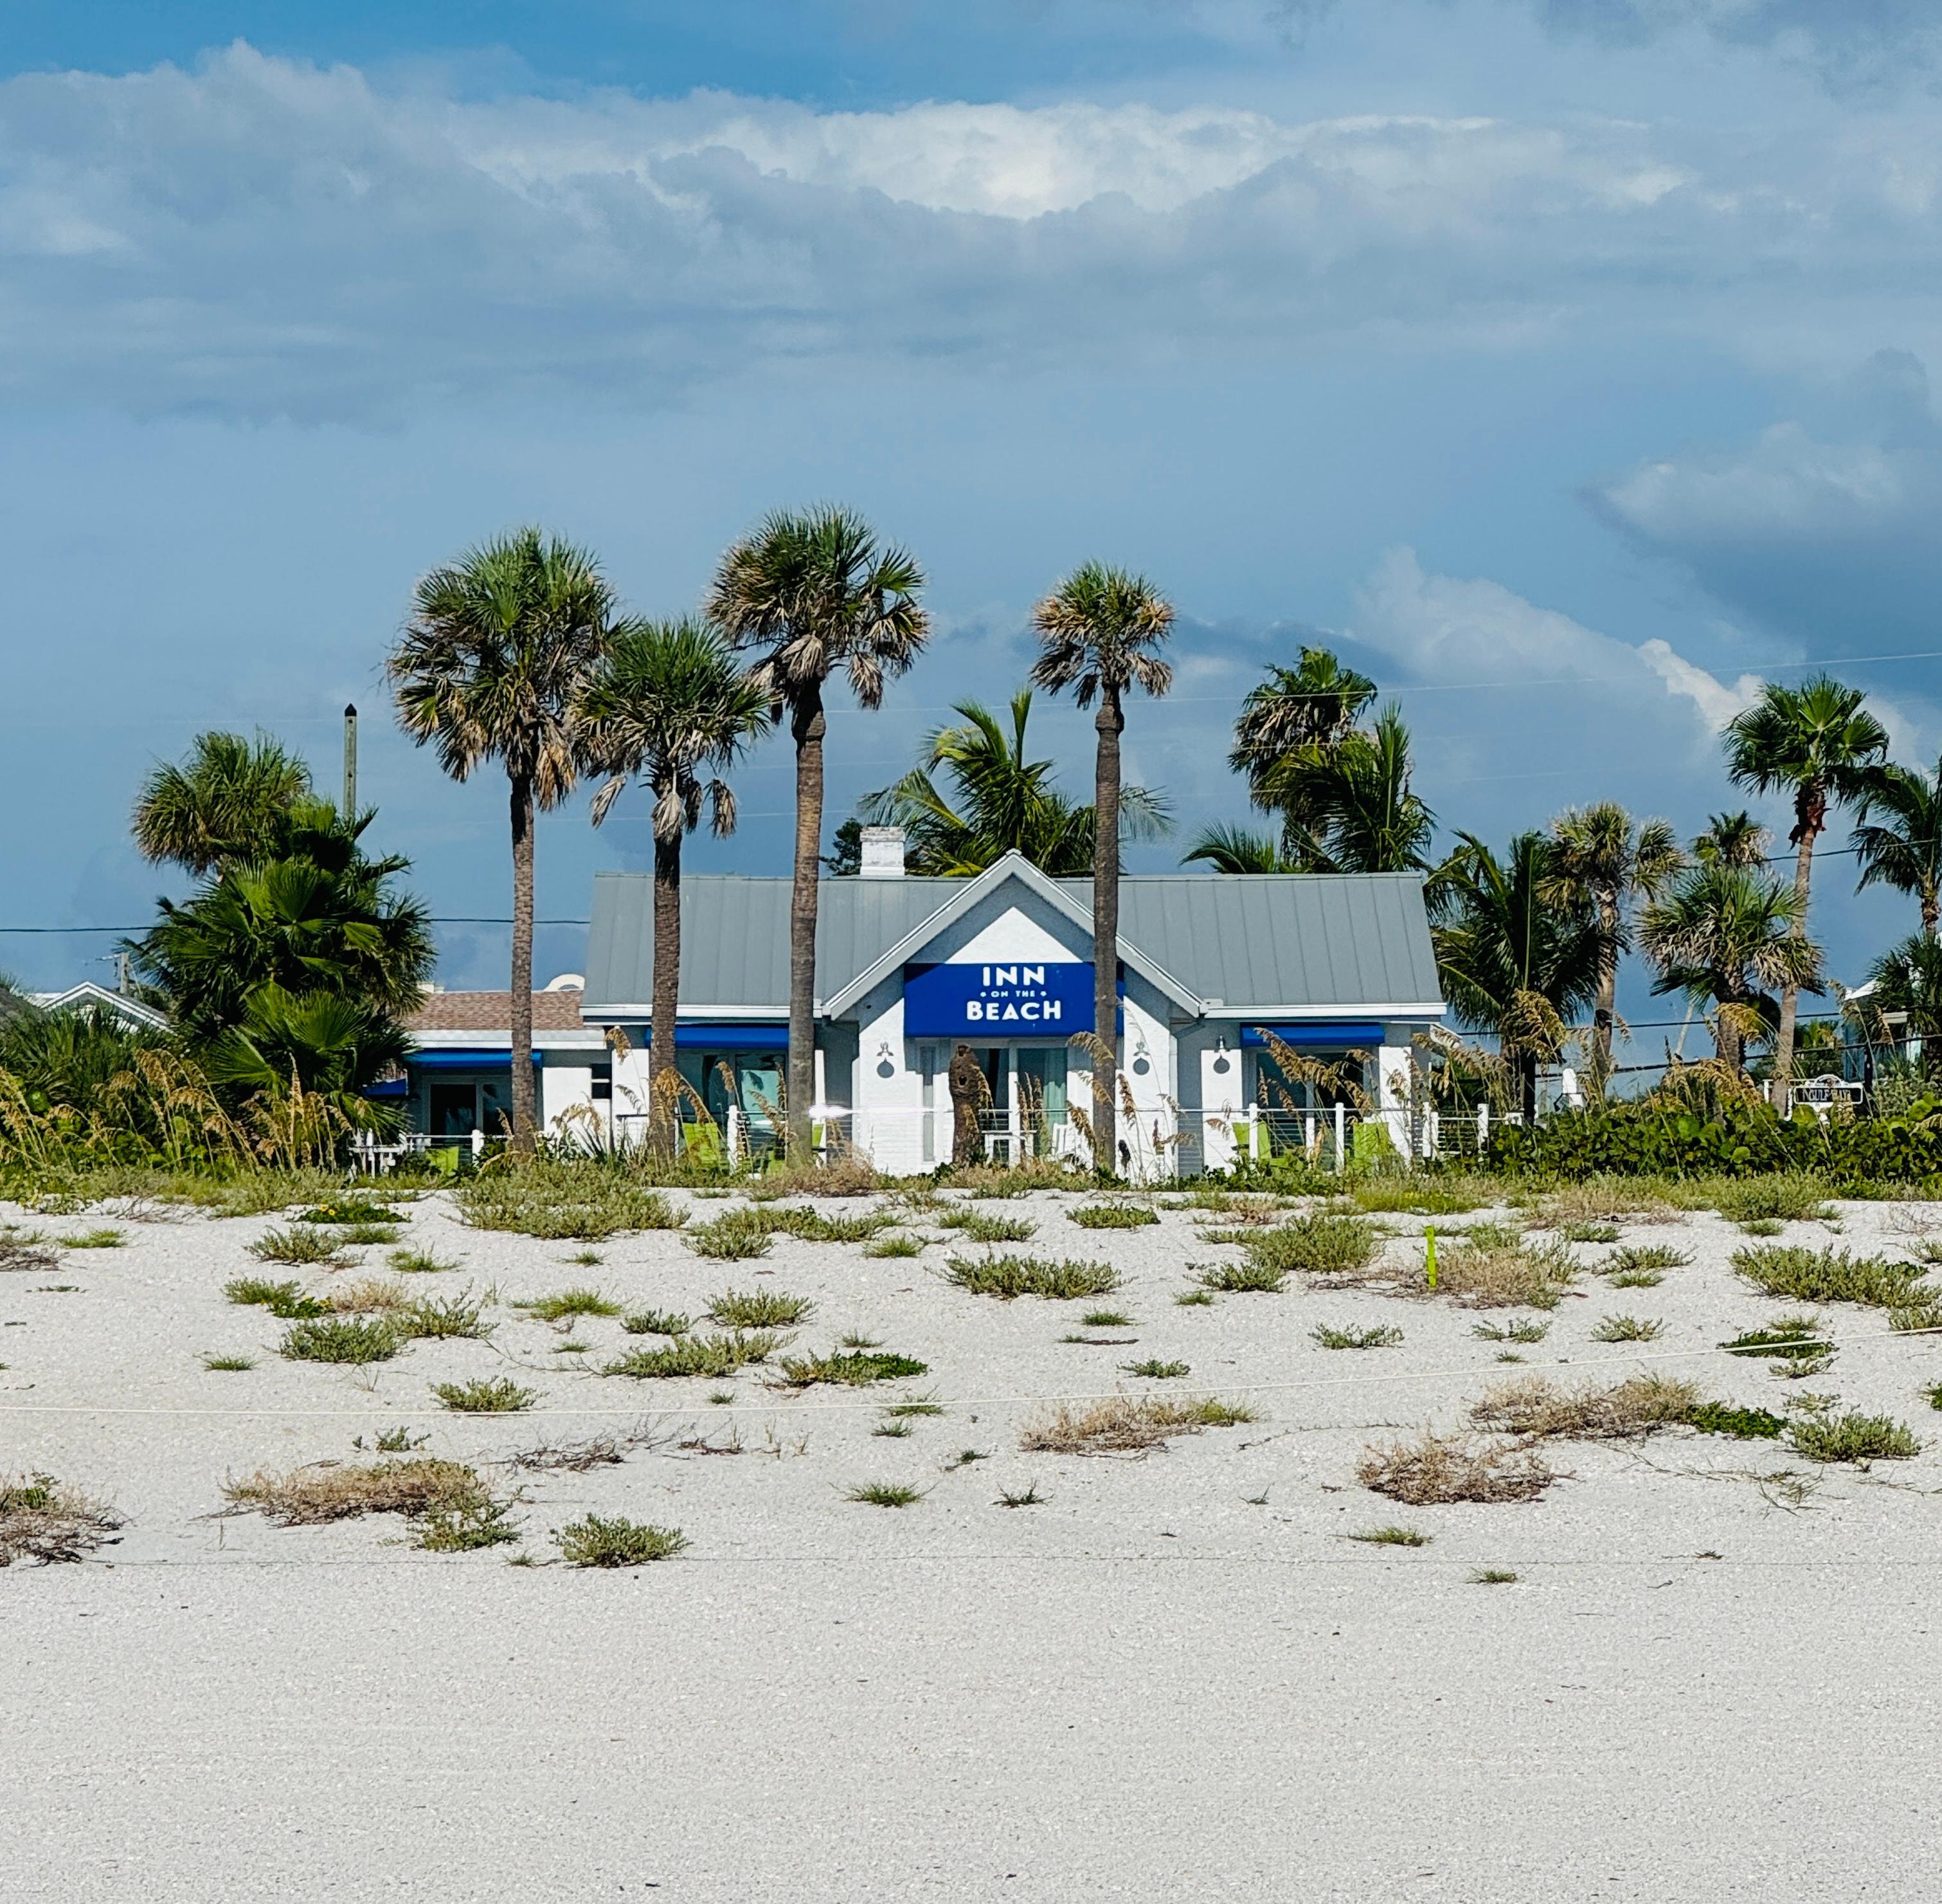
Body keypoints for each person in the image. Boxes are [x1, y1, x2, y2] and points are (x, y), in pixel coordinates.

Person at [948, 1043, 986, 1169]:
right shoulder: (955, 1062)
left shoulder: (972, 1061)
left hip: (969, 1101)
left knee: (969, 1130)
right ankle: (960, 1161)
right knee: (961, 1129)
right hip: (960, 1101)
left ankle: (970, 1160)